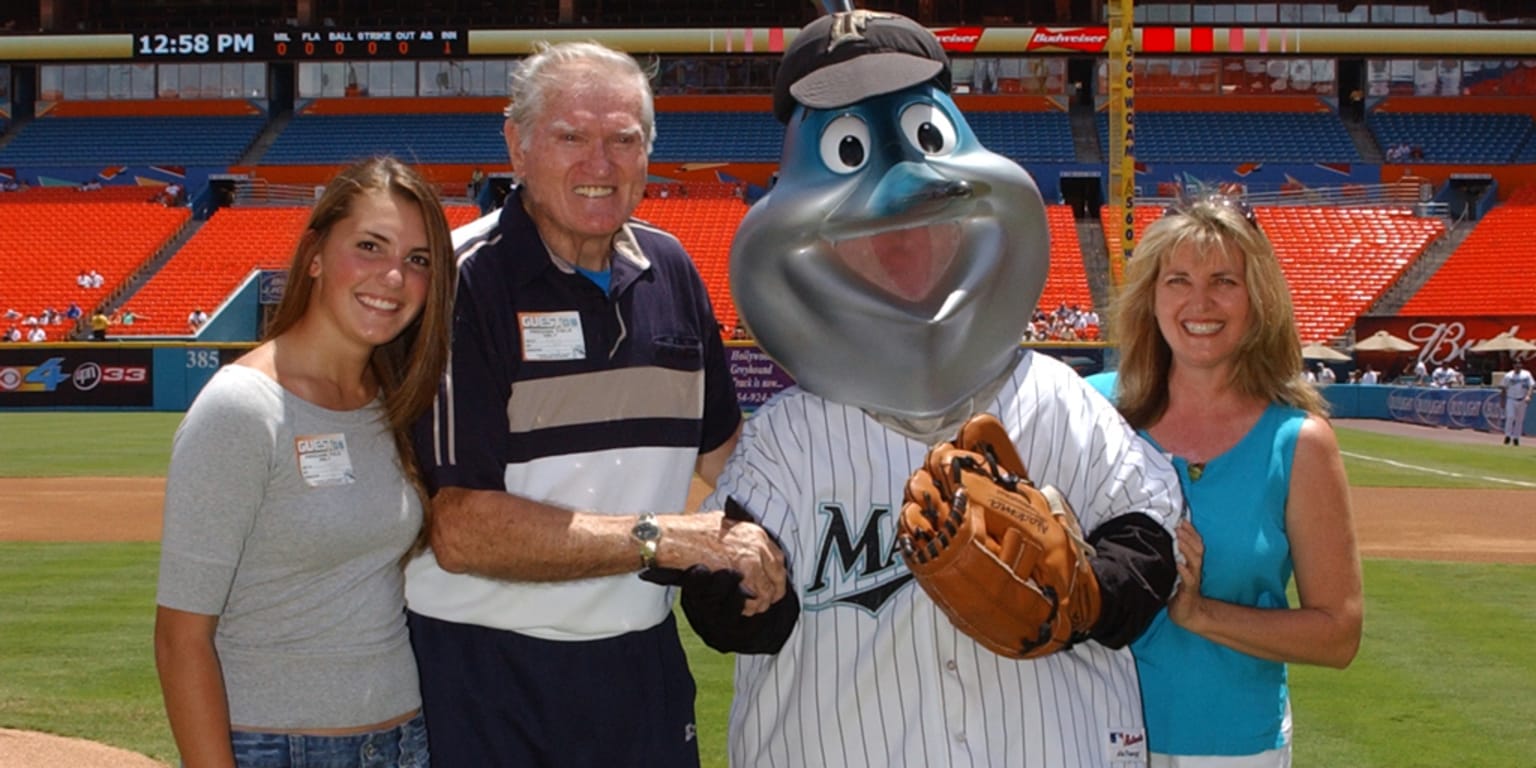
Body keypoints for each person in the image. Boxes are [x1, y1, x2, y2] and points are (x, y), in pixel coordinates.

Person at [703, 12, 1183, 766]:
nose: (901, 230)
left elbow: (1150, 537)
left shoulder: (1058, 399)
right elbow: (733, 610)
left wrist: (1090, 592)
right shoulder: (786, 439)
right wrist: (739, 586)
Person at [404, 41, 786, 768]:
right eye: (571, 136)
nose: (600, 164)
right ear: (516, 145)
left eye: (623, 140)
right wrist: (661, 538)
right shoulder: (461, 282)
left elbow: (730, 461)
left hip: (639, 665)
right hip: (483, 672)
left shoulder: (670, 269)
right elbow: (461, 529)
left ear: (648, 155)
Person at [153, 157, 457, 768]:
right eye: (370, 246)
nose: (393, 276)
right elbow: (180, 638)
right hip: (278, 746)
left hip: (403, 741)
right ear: (315, 254)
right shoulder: (242, 408)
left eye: (419, 260)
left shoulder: (391, 403)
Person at [1089, 193, 1363, 766]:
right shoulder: (1089, 409)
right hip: (1088, 733)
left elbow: (1338, 634)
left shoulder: (1297, 442)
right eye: (1178, 280)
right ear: (1152, 297)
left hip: (1231, 748)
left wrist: (1200, 613)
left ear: (1257, 299)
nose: (1199, 302)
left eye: (1224, 281)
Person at [1503, 357, 1533, 446]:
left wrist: (1528, 396)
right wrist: (1502, 400)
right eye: (1516, 363)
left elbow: (1531, 386)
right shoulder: (1508, 375)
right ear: (1513, 365)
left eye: (1519, 363)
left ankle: (1516, 438)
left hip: (1522, 399)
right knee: (1510, 417)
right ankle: (1508, 435)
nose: (1518, 365)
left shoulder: (1526, 374)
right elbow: (1504, 388)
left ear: (1521, 365)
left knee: (1519, 420)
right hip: (1511, 398)